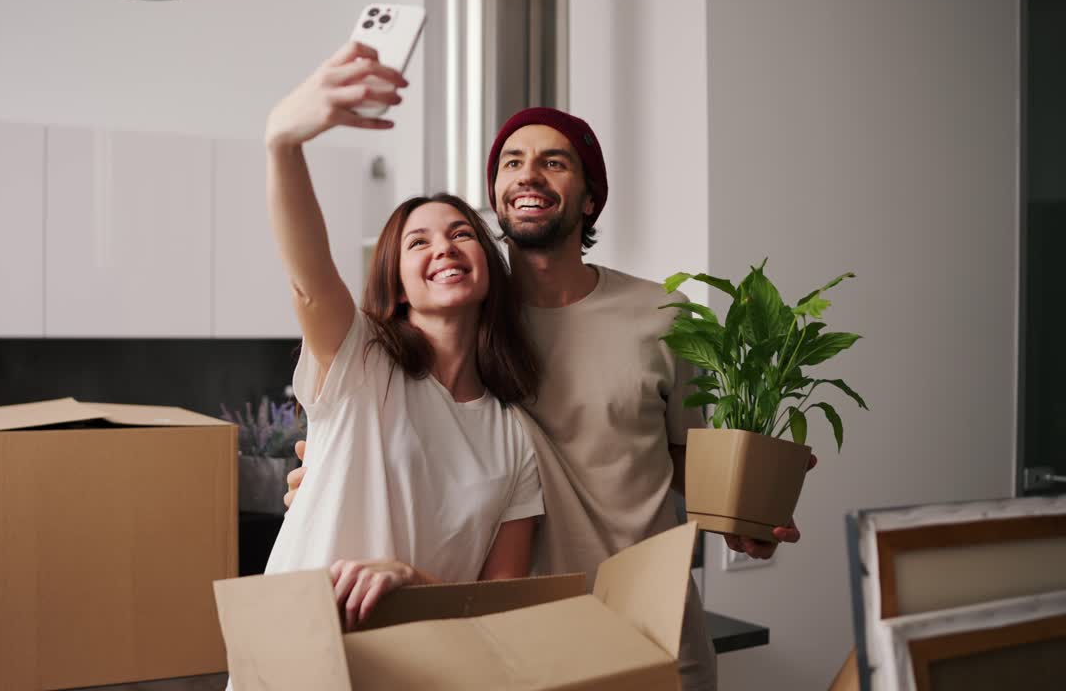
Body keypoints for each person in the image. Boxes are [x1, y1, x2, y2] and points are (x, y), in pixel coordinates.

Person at [287, 107, 815, 690]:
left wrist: (748, 505)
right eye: (512, 162)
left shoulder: (664, 316)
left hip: (654, 624)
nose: (528, 175)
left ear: (589, 199)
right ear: (498, 197)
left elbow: (688, 460)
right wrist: (330, 466)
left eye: (554, 162)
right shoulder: (466, 316)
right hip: (521, 643)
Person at [259, 41, 546, 635]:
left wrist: (414, 583)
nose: (443, 246)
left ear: (489, 266)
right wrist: (282, 144)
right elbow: (310, 282)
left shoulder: (513, 437)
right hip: (296, 654)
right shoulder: (361, 363)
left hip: (422, 670)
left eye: (461, 233)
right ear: (396, 283)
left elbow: (504, 604)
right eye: (418, 242)